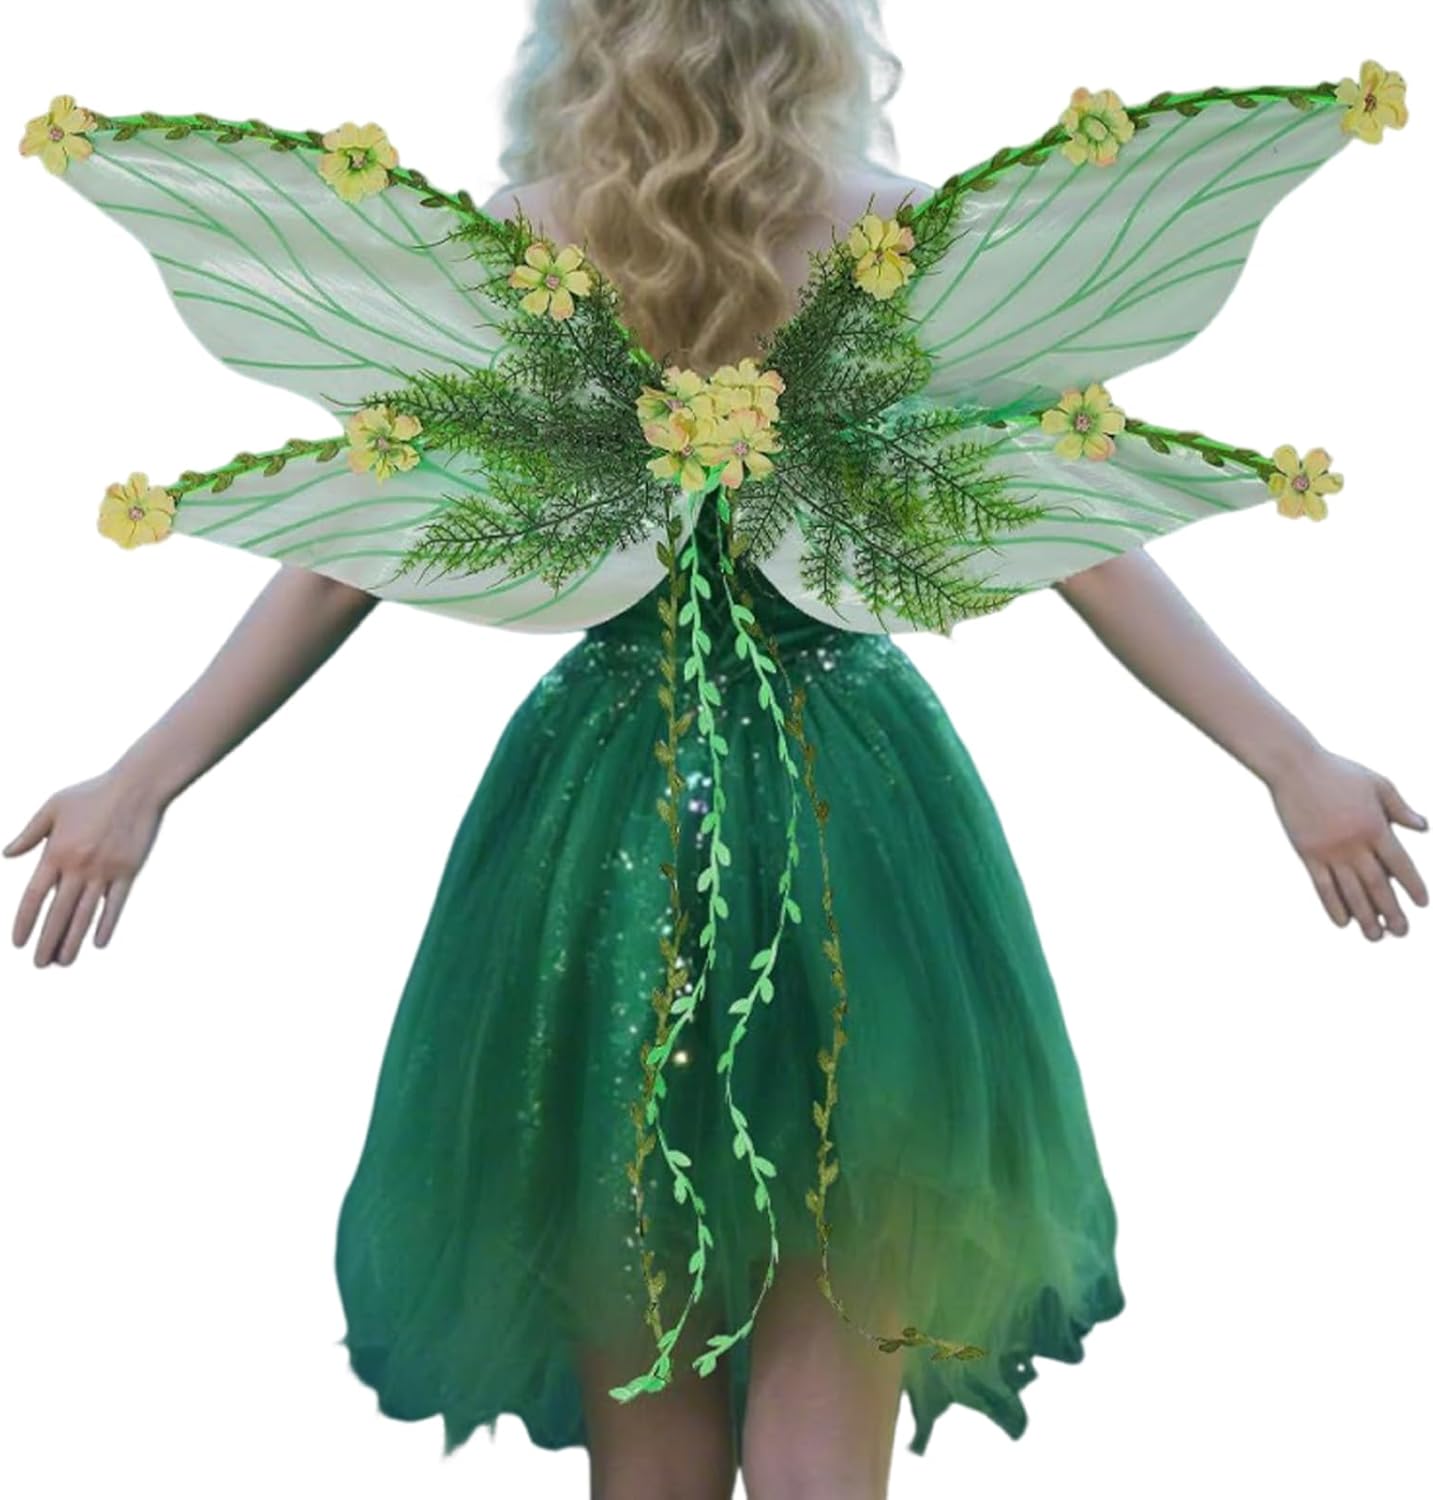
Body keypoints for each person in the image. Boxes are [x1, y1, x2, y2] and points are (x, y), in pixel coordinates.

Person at [7, 3, 1424, 1498]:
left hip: (612, 813)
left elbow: (349, 547)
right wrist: (1287, 758)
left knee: (653, 1439)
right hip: (850, 803)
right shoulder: (890, 238)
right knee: (824, 1406)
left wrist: (145, 777)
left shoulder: (532, 242)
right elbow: (1071, 527)